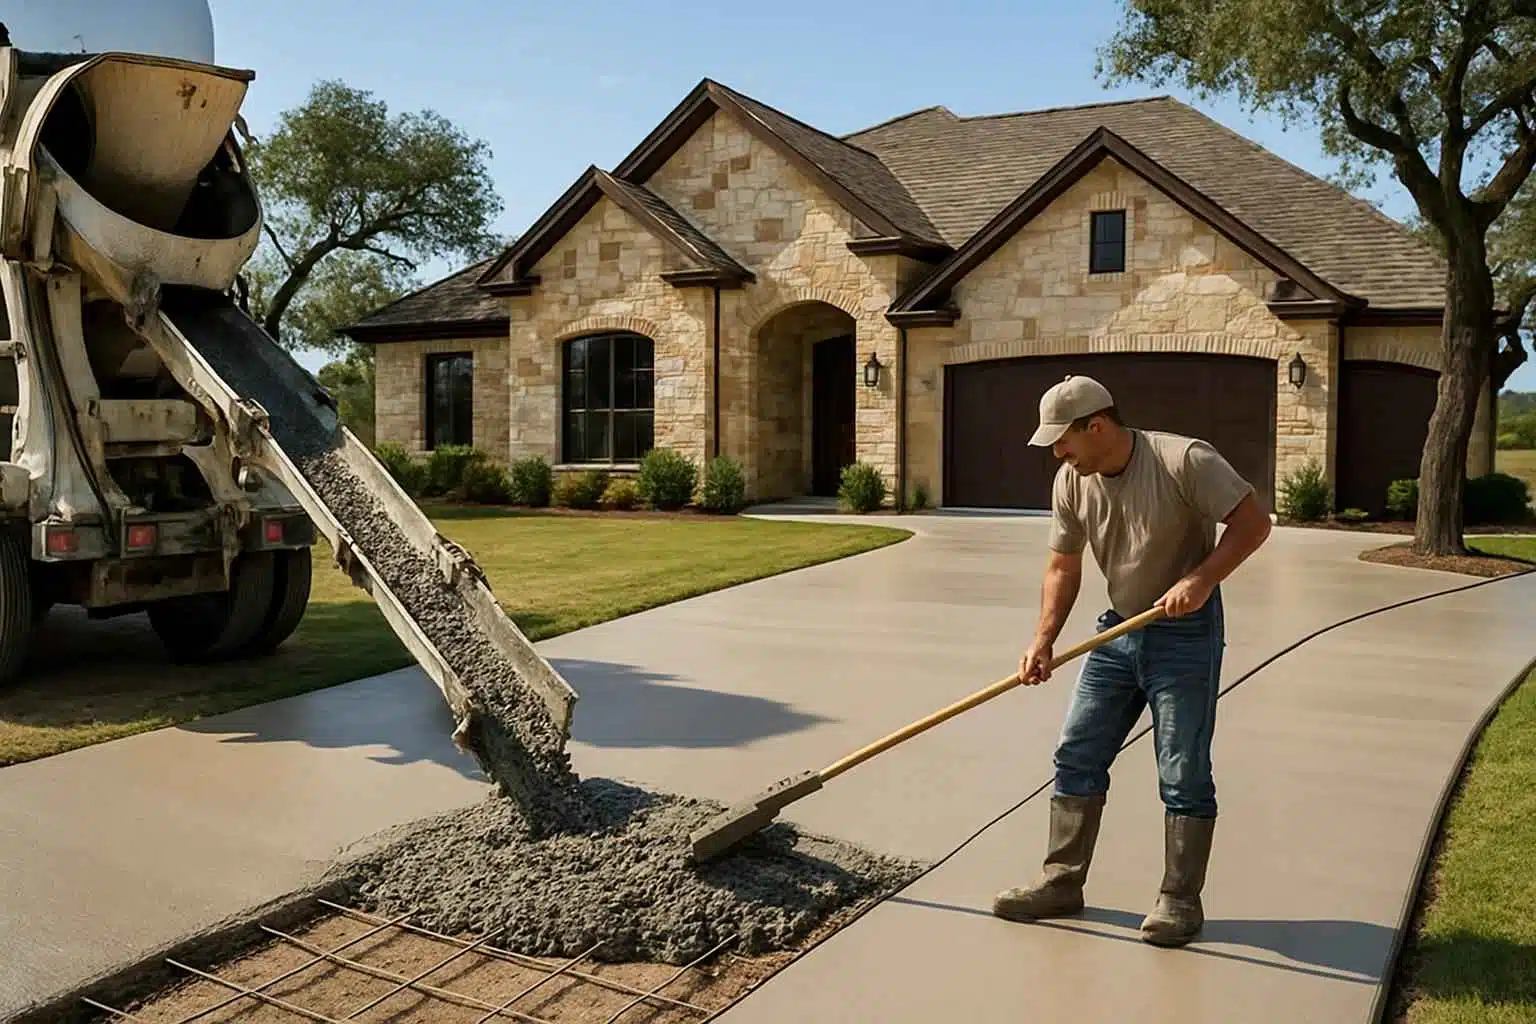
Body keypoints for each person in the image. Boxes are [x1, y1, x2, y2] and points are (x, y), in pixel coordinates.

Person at [991, 373, 1272, 948]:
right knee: (1077, 753)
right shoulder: (1073, 481)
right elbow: (1063, 567)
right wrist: (1042, 640)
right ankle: (1061, 882)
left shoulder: (1183, 460)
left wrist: (1200, 578)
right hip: (1116, 632)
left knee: (1181, 769)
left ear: (1097, 426)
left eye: (1063, 440)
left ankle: (1178, 901)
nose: (1057, 453)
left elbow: (1253, 523)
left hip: (1185, 634)